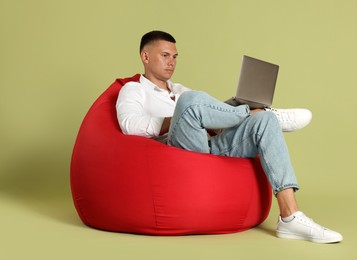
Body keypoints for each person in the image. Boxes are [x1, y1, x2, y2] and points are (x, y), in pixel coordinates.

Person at [116, 30, 343, 243]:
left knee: (261, 121)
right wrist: (176, 117)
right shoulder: (133, 90)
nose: (172, 62)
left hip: (208, 145)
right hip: (175, 148)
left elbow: (208, 117)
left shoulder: (180, 89)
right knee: (190, 102)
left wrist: (228, 109)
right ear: (145, 56)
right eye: (165, 55)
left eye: (175, 56)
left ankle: (290, 216)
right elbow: (130, 126)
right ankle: (252, 112)